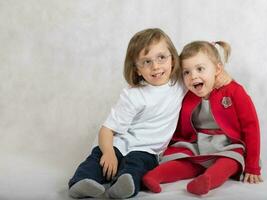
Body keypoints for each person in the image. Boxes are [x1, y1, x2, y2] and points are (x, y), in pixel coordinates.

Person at [68, 29, 231, 199]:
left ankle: (123, 186)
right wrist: (108, 152)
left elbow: (198, 66)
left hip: (148, 150)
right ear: (137, 69)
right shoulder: (134, 95)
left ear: (173, 59)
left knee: (137, 166)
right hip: (118, 144)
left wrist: (221, 75)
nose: (156, 66)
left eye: (161, 57)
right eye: (146, 61)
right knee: (97, 161)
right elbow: (107, 130)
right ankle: (81, 182)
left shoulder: (180, 83)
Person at [143, 41, 263, 196]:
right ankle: (154, 176)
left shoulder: (234, 91)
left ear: (218, 69)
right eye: (186, 72)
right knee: (184, 162)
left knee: (230, 161)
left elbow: (251, 127)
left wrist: (252, 165)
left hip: (227, 145)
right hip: (196, 144)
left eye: (200, 69)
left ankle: (207, 180)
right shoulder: (185, 94)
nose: (193, 76)